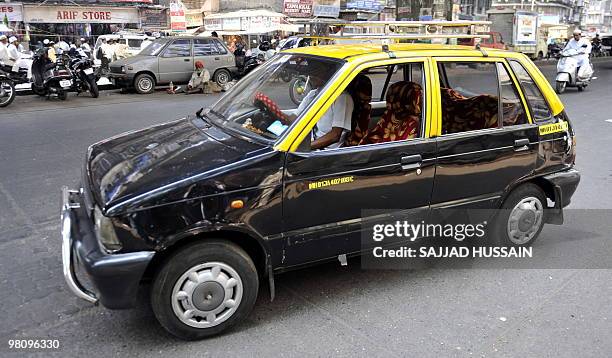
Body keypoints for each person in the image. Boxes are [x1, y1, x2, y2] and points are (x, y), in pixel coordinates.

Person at [284, 72, 354, 150]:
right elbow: (294, 118)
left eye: (316, 71)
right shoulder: (313, 94)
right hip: (313, 144)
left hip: (328, 152)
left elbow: (335, 135)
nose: (310, 75)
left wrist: (305, 148)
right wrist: (275, 113)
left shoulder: (342, 98)